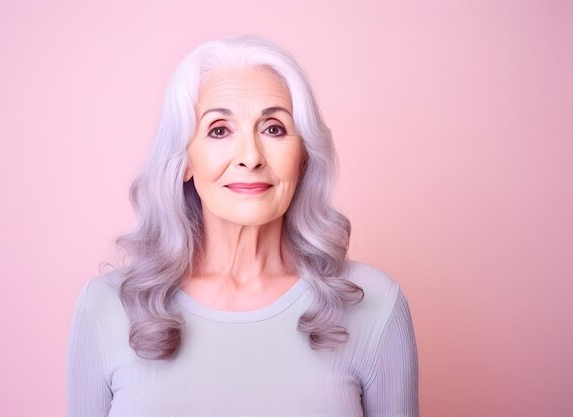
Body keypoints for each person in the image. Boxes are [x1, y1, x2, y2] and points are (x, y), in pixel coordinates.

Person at [67, 35, 419, 417]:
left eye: (274, 129)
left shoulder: (376, 305)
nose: (250, 157)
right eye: (219, 130)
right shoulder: (104, 308)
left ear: (302, 158)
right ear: (183, 160)